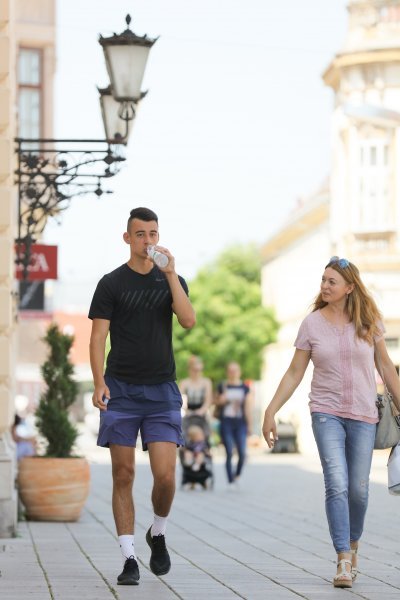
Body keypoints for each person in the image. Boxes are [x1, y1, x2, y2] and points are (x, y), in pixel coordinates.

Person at [262, 256, 400, 589]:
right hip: (326, 412)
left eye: (331, 281)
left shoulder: (370, 322)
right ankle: (342, 557)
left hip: (365, 414)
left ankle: (353, 546)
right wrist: (271, 410)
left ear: (349, 287)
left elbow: (385, 367)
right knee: (336, 483)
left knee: (359, 489)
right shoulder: (312, 324)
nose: (324, 286)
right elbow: (295, 372)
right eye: (323, 280)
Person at [88, 207, 196, 586]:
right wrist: (99, 381)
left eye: (152, 233)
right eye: (140, 234)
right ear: (127, 238)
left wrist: (169, 275)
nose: (147, 241)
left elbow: (187, 320)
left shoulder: (172, 279)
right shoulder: (111, 284)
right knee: (124, 473)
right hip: (120, 389)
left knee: (166, 476)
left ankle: (159, 531)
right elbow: (98, 337)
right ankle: (130, 557)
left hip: (162, 390)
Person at [215, 361, 253, 488]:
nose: (233, 373)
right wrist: (223, 399)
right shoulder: (223, 386)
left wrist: (250, 425)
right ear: (227, 372)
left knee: (242, 452)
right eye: (230, 370)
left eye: (235, 370)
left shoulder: (245, 388)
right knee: (229, 451)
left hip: (240, 422)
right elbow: (216, 402)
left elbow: (248, 408)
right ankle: (230, 480)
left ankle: (237, 475)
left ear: (239, 372)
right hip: (226, 422)